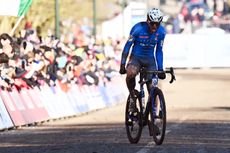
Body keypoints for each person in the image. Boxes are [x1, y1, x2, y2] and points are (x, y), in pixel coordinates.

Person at [119, 8, 166, 113]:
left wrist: (161, 68)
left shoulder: (161, 32)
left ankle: (154, 115)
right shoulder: (137, 29)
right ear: (148, 21)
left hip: (150, 60)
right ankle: (132, 96)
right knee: (131, 73)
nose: (154, 26)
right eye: (153, 23)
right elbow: (127, 47)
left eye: (157, 24)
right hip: (136, 58)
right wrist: (122, 65)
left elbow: (159, 51)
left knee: (153, 87)